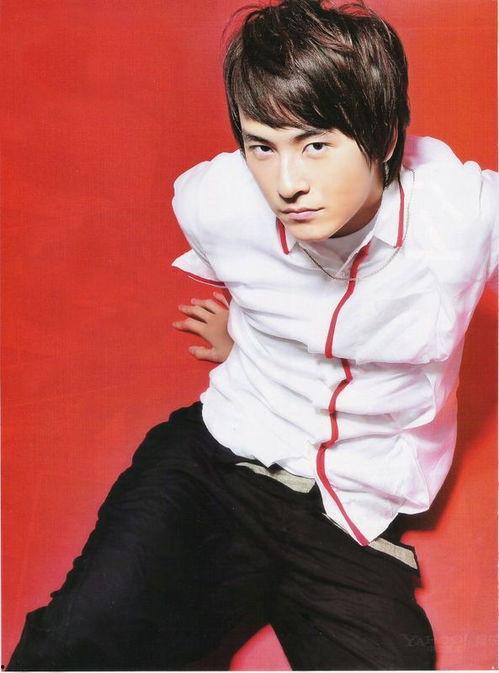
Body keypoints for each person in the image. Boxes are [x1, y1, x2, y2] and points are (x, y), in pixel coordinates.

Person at [7, 0, 497, 670]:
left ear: (384, 138)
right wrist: (245, 332)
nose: (286, 184)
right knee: (76, 642)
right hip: (219, 463)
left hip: (352, 511)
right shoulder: (214, 201)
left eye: (315, 144)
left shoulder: (460, 218)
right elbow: (247, 270)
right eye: (262, 146)